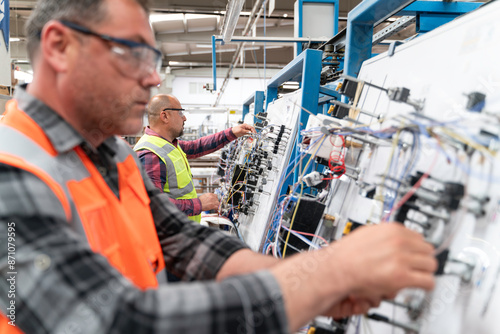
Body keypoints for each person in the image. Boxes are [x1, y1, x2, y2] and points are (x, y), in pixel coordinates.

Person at [0, 0, 438, 333]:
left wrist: (305, 279)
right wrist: (324, 276)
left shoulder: (108, 154)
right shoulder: (11, 172)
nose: (153, 79)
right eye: (134, 54)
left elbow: (184, 243)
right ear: (60, 46)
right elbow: (115, 322)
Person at [134, 94, 255, 222]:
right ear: (165, 116)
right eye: (180, 113)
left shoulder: (168, 145)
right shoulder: (150, 153)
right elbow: (153, 206)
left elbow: (198, 146)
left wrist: (232, 132)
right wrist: (199, 204)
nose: (184, 118)